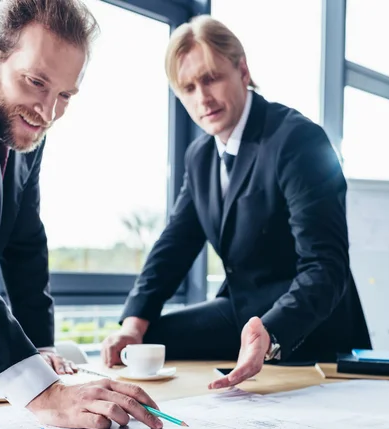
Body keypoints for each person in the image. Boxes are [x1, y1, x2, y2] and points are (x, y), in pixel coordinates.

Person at [102, 15, 370, 380]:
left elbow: (326, 266)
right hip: (239, 311)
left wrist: (273, 332)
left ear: (242, 70)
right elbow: (174, 246)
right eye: (189, 88)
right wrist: (134, 322)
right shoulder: (200, 157)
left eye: (211, 78)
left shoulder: (297, 140)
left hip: (305, 325)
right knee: (144, 343)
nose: (203, 98)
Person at [0, 0, 162, 429]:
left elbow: (24, 242)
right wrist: (42, 391)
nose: (47, 113)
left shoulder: (25, 132)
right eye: (35, 82)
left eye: (65, 95)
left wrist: (40, 346)